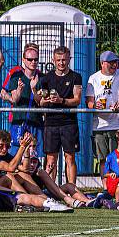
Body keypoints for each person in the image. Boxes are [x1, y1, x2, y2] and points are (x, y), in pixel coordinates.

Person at [38, 46, 83, 185]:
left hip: (69, 122)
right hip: (51, 123)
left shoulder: (76, 77)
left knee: (70, 158)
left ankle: (72, 190)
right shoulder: (46, 78)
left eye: (64, 60)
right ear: (53, 60)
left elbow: (77, 100)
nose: (61, 63)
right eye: (58, 60)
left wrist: (61, 100)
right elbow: (41, 102)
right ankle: (52, 191)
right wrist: (46, 100)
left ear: (69, 59)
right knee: (51, 159)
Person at [86, 50, 119, 170]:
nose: (114, 65)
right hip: (99, 126)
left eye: (115, 62)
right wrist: (94, 105)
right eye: (110, 62)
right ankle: (106, 187)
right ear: (102, 63)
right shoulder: (93, 78)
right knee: (103, 160)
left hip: (118, 124)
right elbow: (89, 101)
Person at [0, 42, 44, 156]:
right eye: (30, 59)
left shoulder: (42, 77)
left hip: (36, 122)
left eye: (36, 59)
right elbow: (8, 96)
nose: (33, 62)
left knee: (36, 155)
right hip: (18, 120)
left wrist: (34, 88)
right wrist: (18, 90)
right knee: (16, 153)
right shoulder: (15, 74)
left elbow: (41, 103)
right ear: (24, 59)